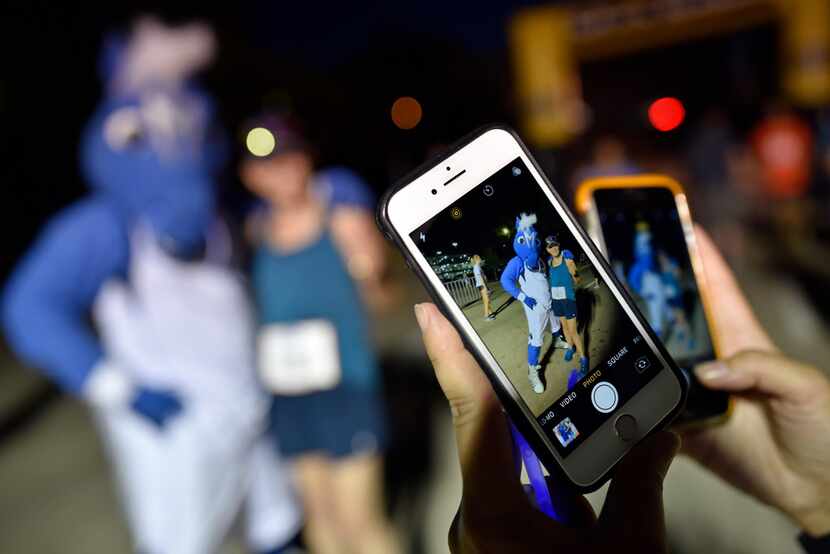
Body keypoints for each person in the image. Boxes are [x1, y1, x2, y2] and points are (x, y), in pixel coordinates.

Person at [2, 19, 301, 554]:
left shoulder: (218, 217)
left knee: (276, 523)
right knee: (181, 539)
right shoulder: (106, 226)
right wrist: (118, 388)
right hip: (174, 429)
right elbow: (30, 307)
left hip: (249, 409)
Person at [413, 226, 830, 553]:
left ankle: (571, 356)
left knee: (573, 336)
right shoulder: (523, 264)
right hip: (542, 307)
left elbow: (572, 273)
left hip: (564, 306)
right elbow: (512, 276)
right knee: (544, 342)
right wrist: (816, 497)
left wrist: (816, 494)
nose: (539, 246)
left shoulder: (552, 259)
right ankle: (543, 368)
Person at [240, 113, 400, 554]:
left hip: (345, 386)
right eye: (267, 164)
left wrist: (368, 267)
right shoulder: (254, 230)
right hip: (287, 391)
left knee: (361, 523)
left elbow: (383, 302)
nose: (281, 171)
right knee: (318, 516)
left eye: (289, 157)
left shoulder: (340, 213)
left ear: (306, 159)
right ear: (250, 175)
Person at [500, 213, 562, 394]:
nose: (531, 245)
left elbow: (544, 279)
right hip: (534, 307)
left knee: (556, 324)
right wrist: (522, 297)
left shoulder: (541, 260)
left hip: (549, 303)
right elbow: (506, 281)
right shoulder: (517, 261)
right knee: (536, 339)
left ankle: (558, 341)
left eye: (533, 240)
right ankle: (532, 370)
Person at [545, 235, 588, 389]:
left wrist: (573, 271)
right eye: (550, 246)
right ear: (547, 250)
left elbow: (577, 280)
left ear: (558, 245)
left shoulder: (566, 256)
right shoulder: (549, 262)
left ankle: (583, 358)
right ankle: (570, 348)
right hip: (557, 301)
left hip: (568, 299)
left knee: (573, 330)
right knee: (564, 328)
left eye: (555, 245)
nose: (554, 248)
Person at [471, 254, 494, 320]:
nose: (481, 259)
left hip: (482, 285)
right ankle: (486, 316)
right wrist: (485, 286)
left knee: (486, 300)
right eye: (480, 258)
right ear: (477, 259)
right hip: (482, 285)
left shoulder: (477, 266)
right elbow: (480, 278)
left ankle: (490, 313)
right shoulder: (476, 267)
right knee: (486, 300)